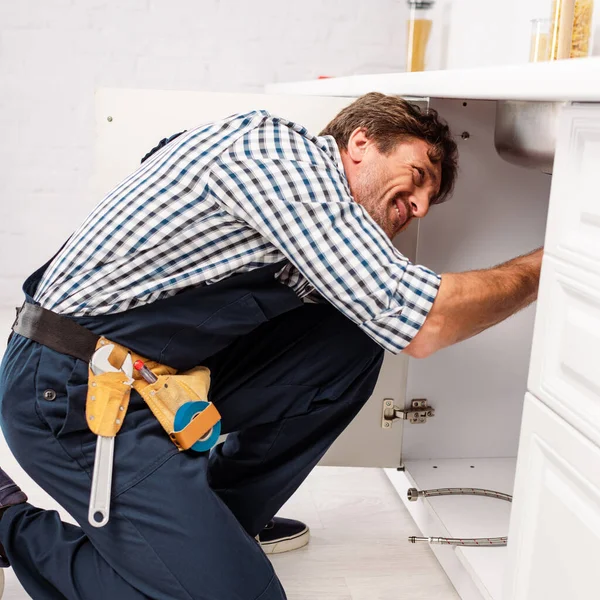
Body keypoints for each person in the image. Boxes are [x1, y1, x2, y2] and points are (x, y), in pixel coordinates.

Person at [0, 92, 542, 600]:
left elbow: (388, 316)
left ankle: (214, 523)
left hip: (144, 377)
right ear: (359, 143)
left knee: (351, 338)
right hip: (67, 391)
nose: (420, 206)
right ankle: (7, 525)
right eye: (417, 176)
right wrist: (551, 261)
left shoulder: (309, 207)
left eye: (429, 199)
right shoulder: (280, 160)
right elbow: (424, 322)